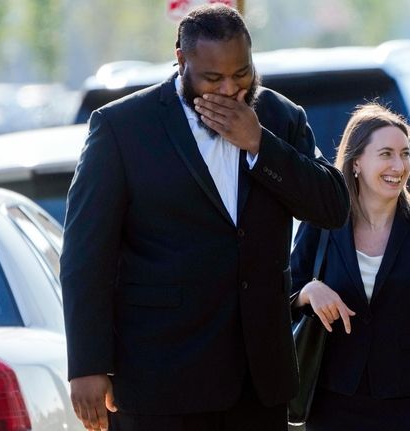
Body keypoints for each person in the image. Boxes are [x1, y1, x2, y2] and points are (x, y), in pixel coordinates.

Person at [60, 4, 350, 431]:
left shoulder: (280, 118)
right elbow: (86, 257)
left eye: (242, 73)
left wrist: (260, 144)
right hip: (160, 379)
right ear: (181, 60)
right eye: (213, 78)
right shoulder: (122, 127)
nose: (231, 89)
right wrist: (87, 364)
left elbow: (332, 207)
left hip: (258, 381)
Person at [289, 103, 410, 431]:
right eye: (386, 154)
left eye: (404, 154)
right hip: (334, 404)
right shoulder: (322, 223)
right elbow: (282, 294)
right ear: (356, 161)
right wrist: (308, 291)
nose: (399, 166)